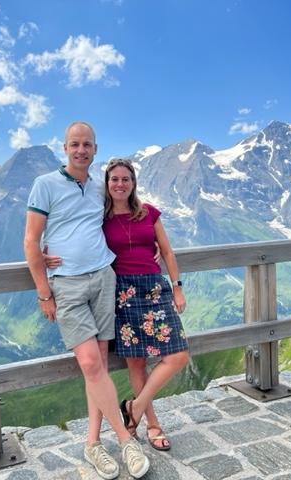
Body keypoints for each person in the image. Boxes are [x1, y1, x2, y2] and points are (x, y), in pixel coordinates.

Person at [24, 122, 150, 480]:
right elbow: (31, 241)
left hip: (103, 277)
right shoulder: (44, 185)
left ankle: (93, 443)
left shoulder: (100, 187)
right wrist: (44, 291)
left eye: (87, 145)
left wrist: (149, 248)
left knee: (96, 369)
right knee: (92, 364)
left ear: (95, 149)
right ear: (64, 148)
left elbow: (123, 217)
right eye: (75, 144)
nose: (81, 150)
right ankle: (126, 439)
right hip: (67, 285)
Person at [46, 158, 190, 451]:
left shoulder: (149, 213)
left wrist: (177, 288)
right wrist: (46, 253)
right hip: (121, 292)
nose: (120, 184)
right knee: (136, 363)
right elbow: (74, 233)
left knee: (178, 356)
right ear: (107, 184)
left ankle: (133, 408)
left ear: (133, 183)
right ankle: (152, 424)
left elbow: (167, 252)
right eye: (114, 179)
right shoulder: (101, 216)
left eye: (126, 179)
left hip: (154, 289)